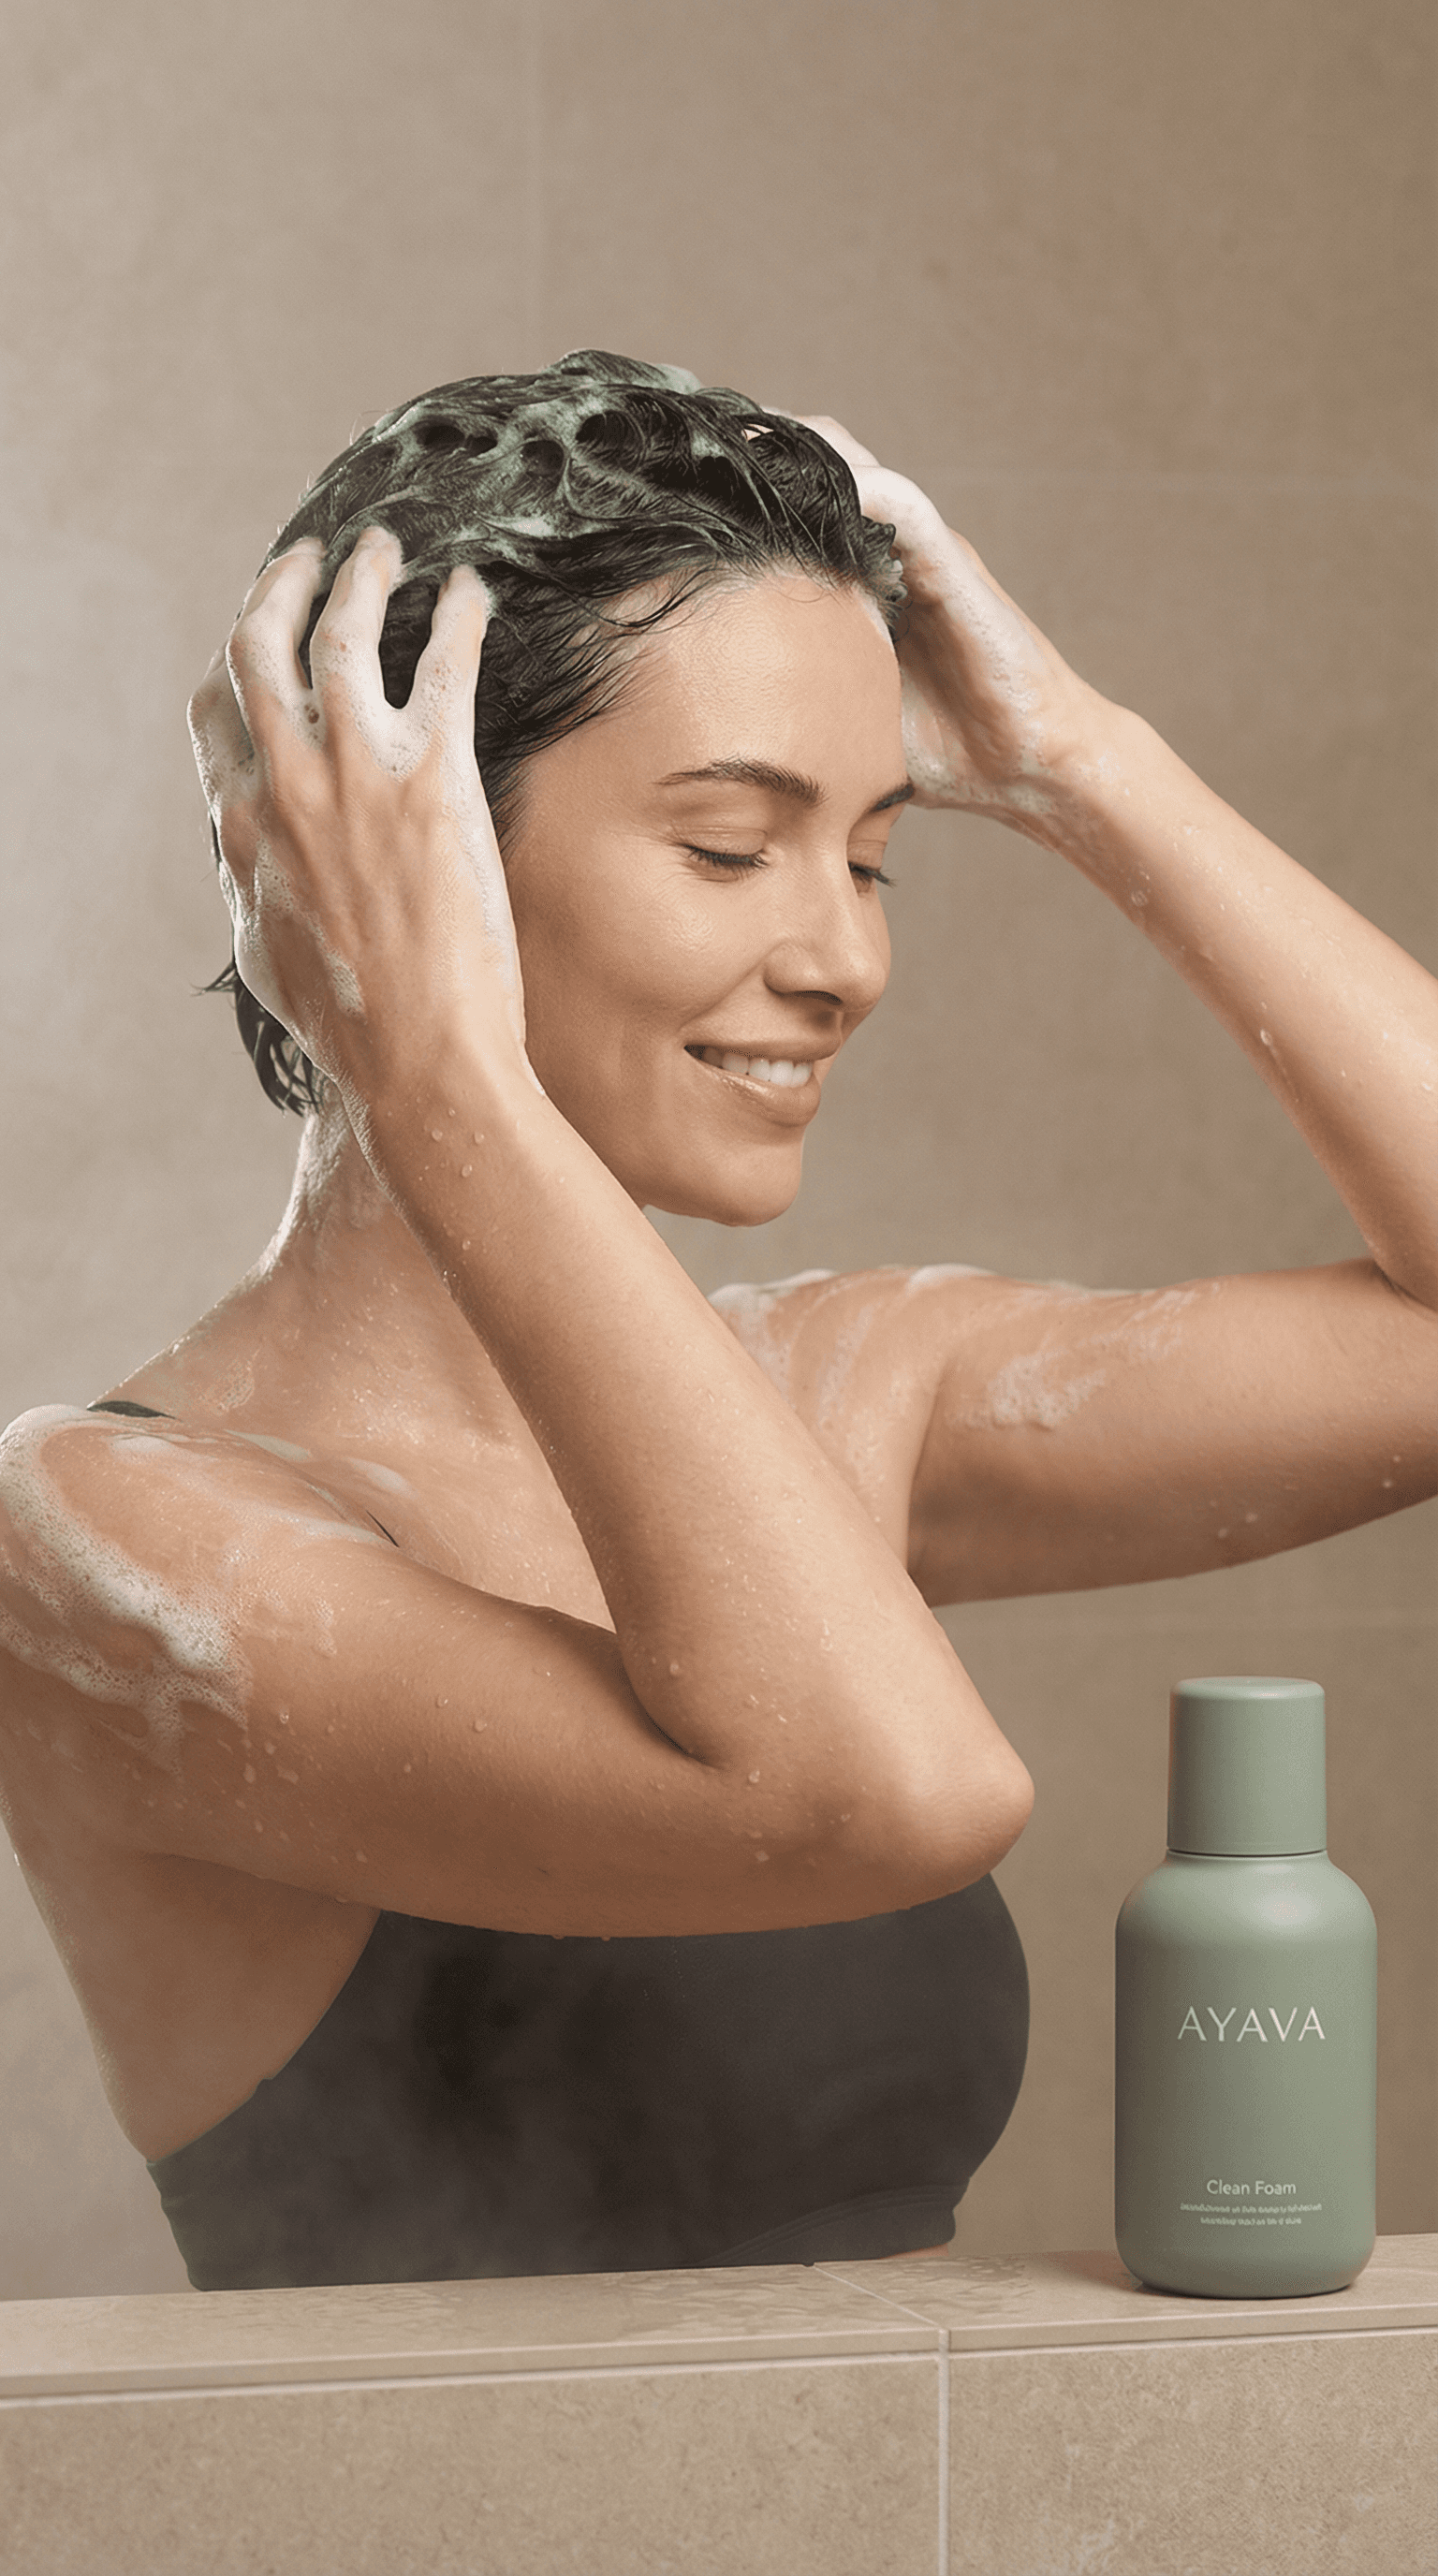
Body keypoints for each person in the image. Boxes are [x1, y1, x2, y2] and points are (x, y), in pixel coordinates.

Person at [0, 352, 1432, 2291]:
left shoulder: (831, 1391)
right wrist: (436, 1076)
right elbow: (882, 1791)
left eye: (872, 854)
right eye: (730, 844)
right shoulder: (102, 1545)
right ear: (401, 862)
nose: (844, 953)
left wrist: (1079, 758)